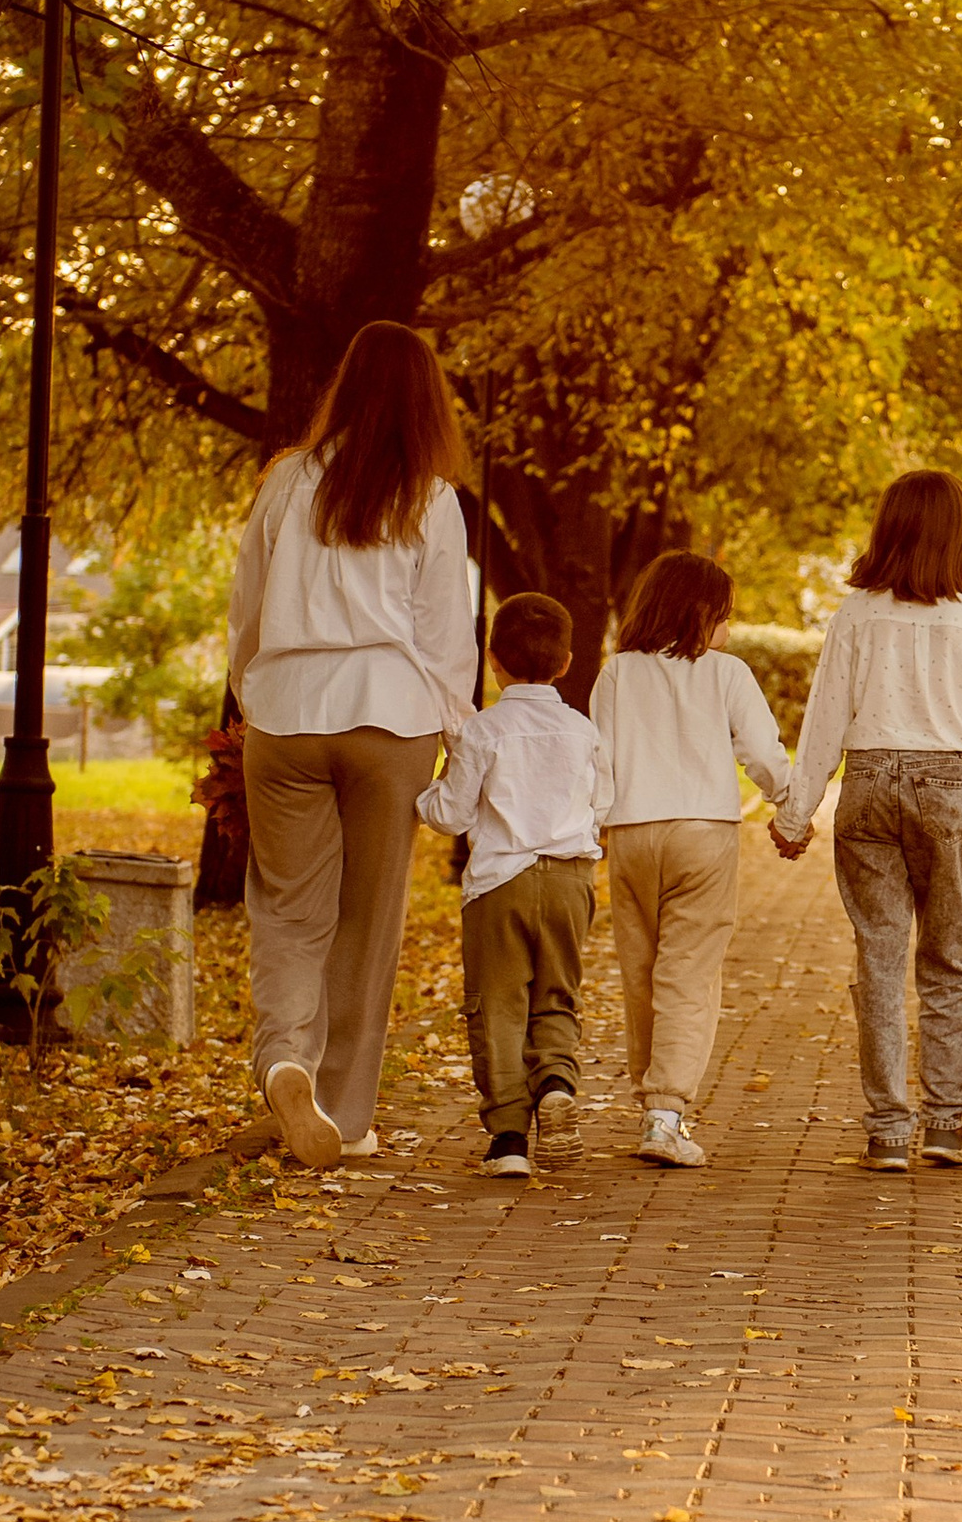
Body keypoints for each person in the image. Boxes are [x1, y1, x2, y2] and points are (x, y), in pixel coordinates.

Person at [226, 321, 477, 1172]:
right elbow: (447, 636)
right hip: (391, 719)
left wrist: (250, 696)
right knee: (368, 925)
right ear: (425, 401)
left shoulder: (286, 481)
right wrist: (458, 736)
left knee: (289, 914)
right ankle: (348, 1113)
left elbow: (247, 609)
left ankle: (284, 1063)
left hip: (288, 713)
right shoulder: (431, 498)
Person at [770, 470, 962, 1172]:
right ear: (959, 534)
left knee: (878, 959)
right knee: (946, 961)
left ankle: (887, 1130)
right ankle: (944, 1125)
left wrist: (795, 814)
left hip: (868, 783)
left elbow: (824, 720)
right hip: (947, 789)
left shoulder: (856, 614)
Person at [591, 552, 793, 1170]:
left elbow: (597, 758)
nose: (727, 630)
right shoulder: (726, 673)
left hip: (631, 831)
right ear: (702, 614)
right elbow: (761, 751)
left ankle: (650, 1099)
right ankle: (665, 1111)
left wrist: (591, 827)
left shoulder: (617, 673)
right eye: (724, 616)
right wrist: (791, 802)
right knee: (689, 976)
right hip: (703, 832)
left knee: (641, 971)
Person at [420, 591, 604, 1178]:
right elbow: (607, 801)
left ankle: (507, 1139)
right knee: (557, 993)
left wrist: (418, 797)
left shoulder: (483, 731)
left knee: (495, 1005)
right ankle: (555, 1080)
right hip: (571, 879)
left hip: (500, 885)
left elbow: (450, 813)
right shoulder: (583, 731)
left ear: (492, 660)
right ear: (568, 662)